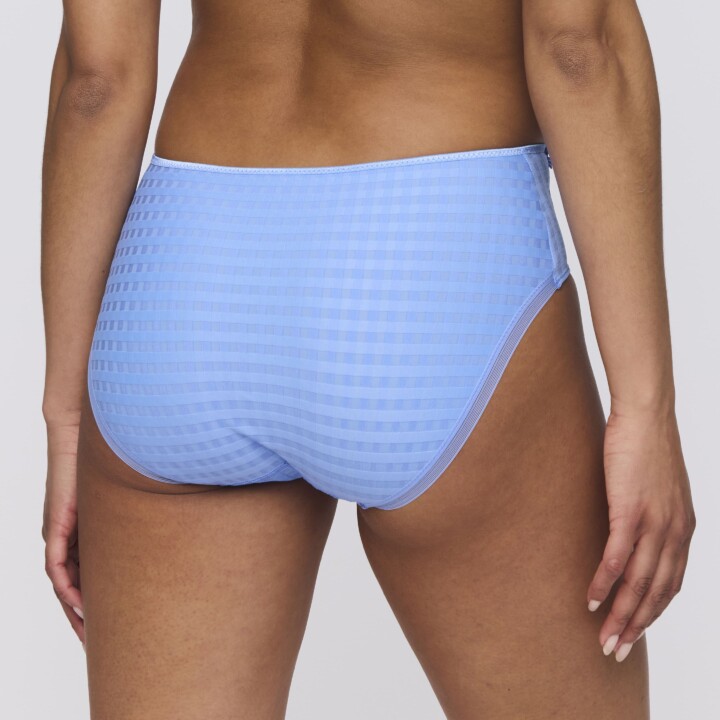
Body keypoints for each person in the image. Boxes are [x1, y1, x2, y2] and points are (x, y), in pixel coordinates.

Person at [40, 0, 695, 717]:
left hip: (184, 278)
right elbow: (578, 45)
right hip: (429, 259)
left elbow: (95, 82)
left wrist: (67, 414)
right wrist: (645, 406)